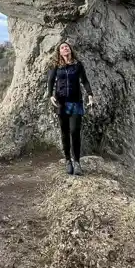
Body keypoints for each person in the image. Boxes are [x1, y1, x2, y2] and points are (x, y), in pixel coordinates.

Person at [46, 41, 94, 175]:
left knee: (74, 131)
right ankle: (68, 160)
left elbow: (84, 80)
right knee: (65, 132)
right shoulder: (56, 65)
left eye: (66, 46)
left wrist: (90, 95)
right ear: (59, 52)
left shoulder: (77, 65)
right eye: (62, 47)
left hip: (75, 103)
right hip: (61, 103)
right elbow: (50, 80)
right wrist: (50, 95)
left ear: (70, 49)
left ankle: (77, 162)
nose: (65, 48)